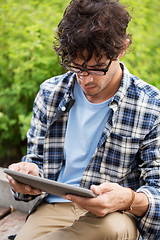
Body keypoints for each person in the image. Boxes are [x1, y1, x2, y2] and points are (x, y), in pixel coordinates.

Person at [6, 0, 160, 239]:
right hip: (54, 207)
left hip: (114, 215)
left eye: (98, 68)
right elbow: (34, 165)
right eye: (77, 67)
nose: (86, 79)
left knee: (110, 230)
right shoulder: (50, 93)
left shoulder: (151, 104)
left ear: (123, 49)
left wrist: (129, 198)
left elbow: (157, 190)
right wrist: (27, 176)